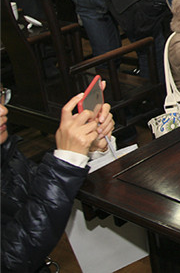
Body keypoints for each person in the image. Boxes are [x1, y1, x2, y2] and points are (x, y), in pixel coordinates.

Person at [1, 90, 115, 272]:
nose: (3, 110)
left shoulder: (5, 150)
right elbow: (11, 261)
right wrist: (66, 162)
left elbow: (34, 189)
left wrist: (86, 150)